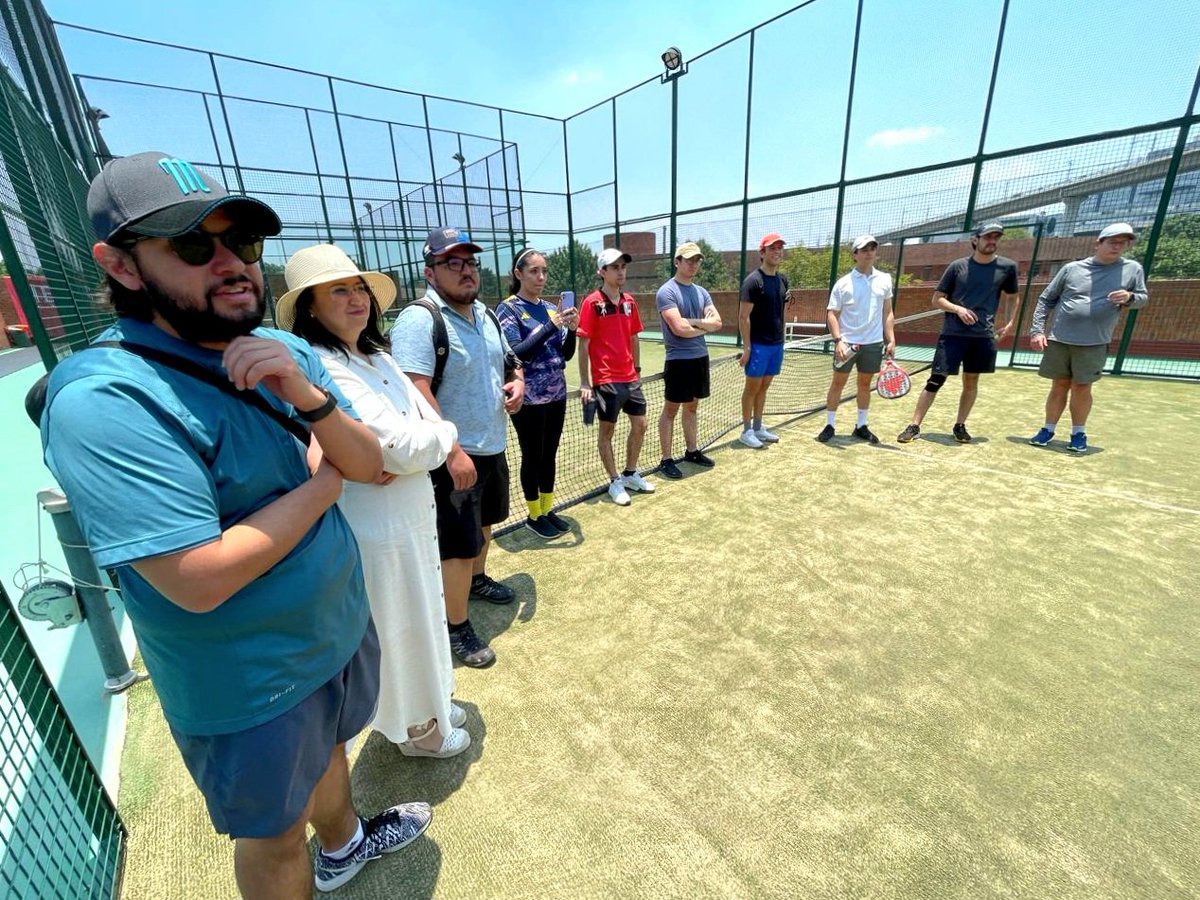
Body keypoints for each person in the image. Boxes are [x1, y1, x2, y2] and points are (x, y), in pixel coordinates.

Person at [39, 152, 429, 898]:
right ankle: (319, 851)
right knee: (275, 840)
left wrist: (305, 398)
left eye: (242, 244)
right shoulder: (105, 400)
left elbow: (366, 455)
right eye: (192, 247)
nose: (232, 265)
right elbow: (198, 578)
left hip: (334, 627)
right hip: (248, 683)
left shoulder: (279, 346)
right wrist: (324, 483)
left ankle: (344, 844)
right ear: (120, 266)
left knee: (333, 754)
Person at [281, 243, 470, 759]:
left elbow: (413, 437)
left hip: (410, 512)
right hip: (373, 528)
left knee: (424, 609)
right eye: (337, 290)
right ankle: (418, 732)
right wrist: (438, 439)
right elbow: (397, 445)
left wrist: (425, 440)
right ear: (310, 307)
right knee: (397, 624)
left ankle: (433, 701)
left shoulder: (377, 354)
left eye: (358, 286)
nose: (355, 297)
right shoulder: (321, 365)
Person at [392, 226, 525, 669]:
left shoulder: (484, 314)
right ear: (430, 272)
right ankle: (456, 626)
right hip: (454, 456)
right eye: (454, 263)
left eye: (470, 262)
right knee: (456, 546)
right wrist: (451, 450)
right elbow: (414, 387)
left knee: (485, 526)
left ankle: (479, 580)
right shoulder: (420, 318)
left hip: (491, 444)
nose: (467, 271)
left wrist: (517, 382)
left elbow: (510, 361)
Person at [1027, 223, 1148, 453]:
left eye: (1123, 243)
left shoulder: (1132, 269)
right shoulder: (1072, 269)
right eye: (1113, 241)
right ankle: (1048, 429)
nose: (1118, 246)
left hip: (1094, 342)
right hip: (1060, 339)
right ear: (1098, 243)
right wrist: (1037, 331)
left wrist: (1130, 296)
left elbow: (1143, 299)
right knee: (1059, 385)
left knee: (1082, 387)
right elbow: (1046, 299)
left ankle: (1078, 433)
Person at [896, 222, 1019, 444]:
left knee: (971, 381)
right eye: (987, 237)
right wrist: (958, 309)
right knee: (935, 380)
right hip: (953, 335)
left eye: (996, 237)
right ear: (975, 240)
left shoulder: (1007, 268)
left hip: (983, 337)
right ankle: (914, 426)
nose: (992, 241)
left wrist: (1010, 322)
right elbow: (937, 299)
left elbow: (1012, 296)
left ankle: (960, 425)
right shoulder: (957, 267)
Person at [496, 248, 578, 538]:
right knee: (533, 455)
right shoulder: (508, 309)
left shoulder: (550, 309)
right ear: (518, 274)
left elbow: (565, 354)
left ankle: (547, 509)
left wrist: (572, 330)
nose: (541, 277)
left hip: (556, 395)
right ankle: (533, 516)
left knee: (550, 454)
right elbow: (517, 353)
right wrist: (550, 326)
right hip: (528, 399)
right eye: (534, 271)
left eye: (544, 271)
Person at [577, 247, 657, 506]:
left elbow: (634, 337)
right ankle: (614, 481)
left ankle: (631, 473)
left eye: (623, 266)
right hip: (605, 379)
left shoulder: (629, 302)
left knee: (641, 424)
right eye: (615, 267)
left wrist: (638, 369)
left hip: (630, 377)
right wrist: (585, 382)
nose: (621, 271)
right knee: (607, 433)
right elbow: (584, 344)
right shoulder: (591, 303)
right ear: (602, 272)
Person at [817, 235, 896, 445]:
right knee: (837, 384)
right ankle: (830, 425)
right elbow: (832, 314)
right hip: (847, 344)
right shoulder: (843, 283)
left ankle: (861, 426)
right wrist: (839, 341)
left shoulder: (885, 280)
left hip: (873, 343)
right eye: (864, 249)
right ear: (855, 255)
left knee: (864, 384)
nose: (869, 252)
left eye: (872, 248)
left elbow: (888, 313)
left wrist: (891, 339)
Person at [655, 241, 722, 479]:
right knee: (671, 410)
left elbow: (718, 323)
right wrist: (703, 325)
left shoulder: (702, 292)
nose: (693, 264)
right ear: (677, 262)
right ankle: (666, 459)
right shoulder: (667, 291)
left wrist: (693, 323)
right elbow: (679, 329)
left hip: (699, 358)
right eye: (689, 260)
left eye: (696, 260)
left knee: (692, 407)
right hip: (678, 361)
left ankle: (692, 451)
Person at [738, 233, 792, 448]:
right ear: (762, 253)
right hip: (758, 345)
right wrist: (748, 348)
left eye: (780, 248)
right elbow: (743, 317)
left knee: (764, 387)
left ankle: (759, 427)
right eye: (772, 248)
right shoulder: (753, 281)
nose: (777, 252)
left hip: (776, 344)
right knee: (752, 388)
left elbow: (780, 309)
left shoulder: (783, 280)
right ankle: (746, 431)